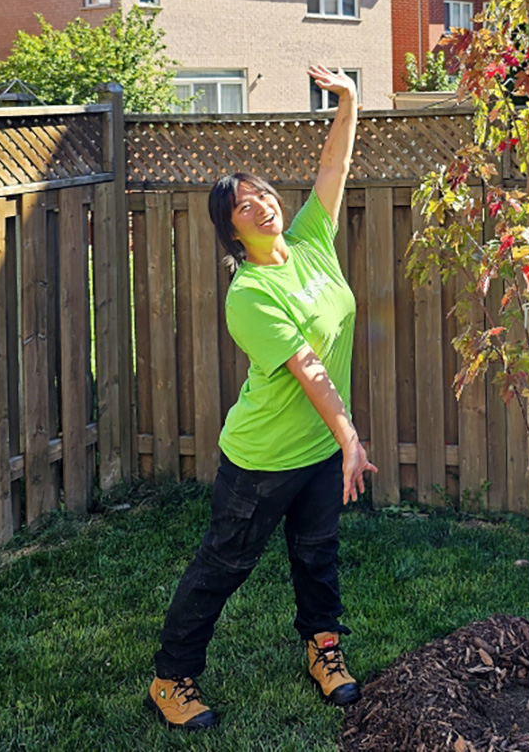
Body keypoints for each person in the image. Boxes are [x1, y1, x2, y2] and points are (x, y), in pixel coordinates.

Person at [145, 65, 377, 731]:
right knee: (224, 564)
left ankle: (324, 650)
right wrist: (351, 439)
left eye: (263, 194)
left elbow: (334, 167)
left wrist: (350, 101)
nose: (261, 205)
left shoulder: (310, 242)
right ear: (232, 231)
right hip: (263, 458)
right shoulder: (249, 295)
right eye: (243, 205)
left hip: (316, 450)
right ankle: (172, 678)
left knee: (318, 554)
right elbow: (307, 367)